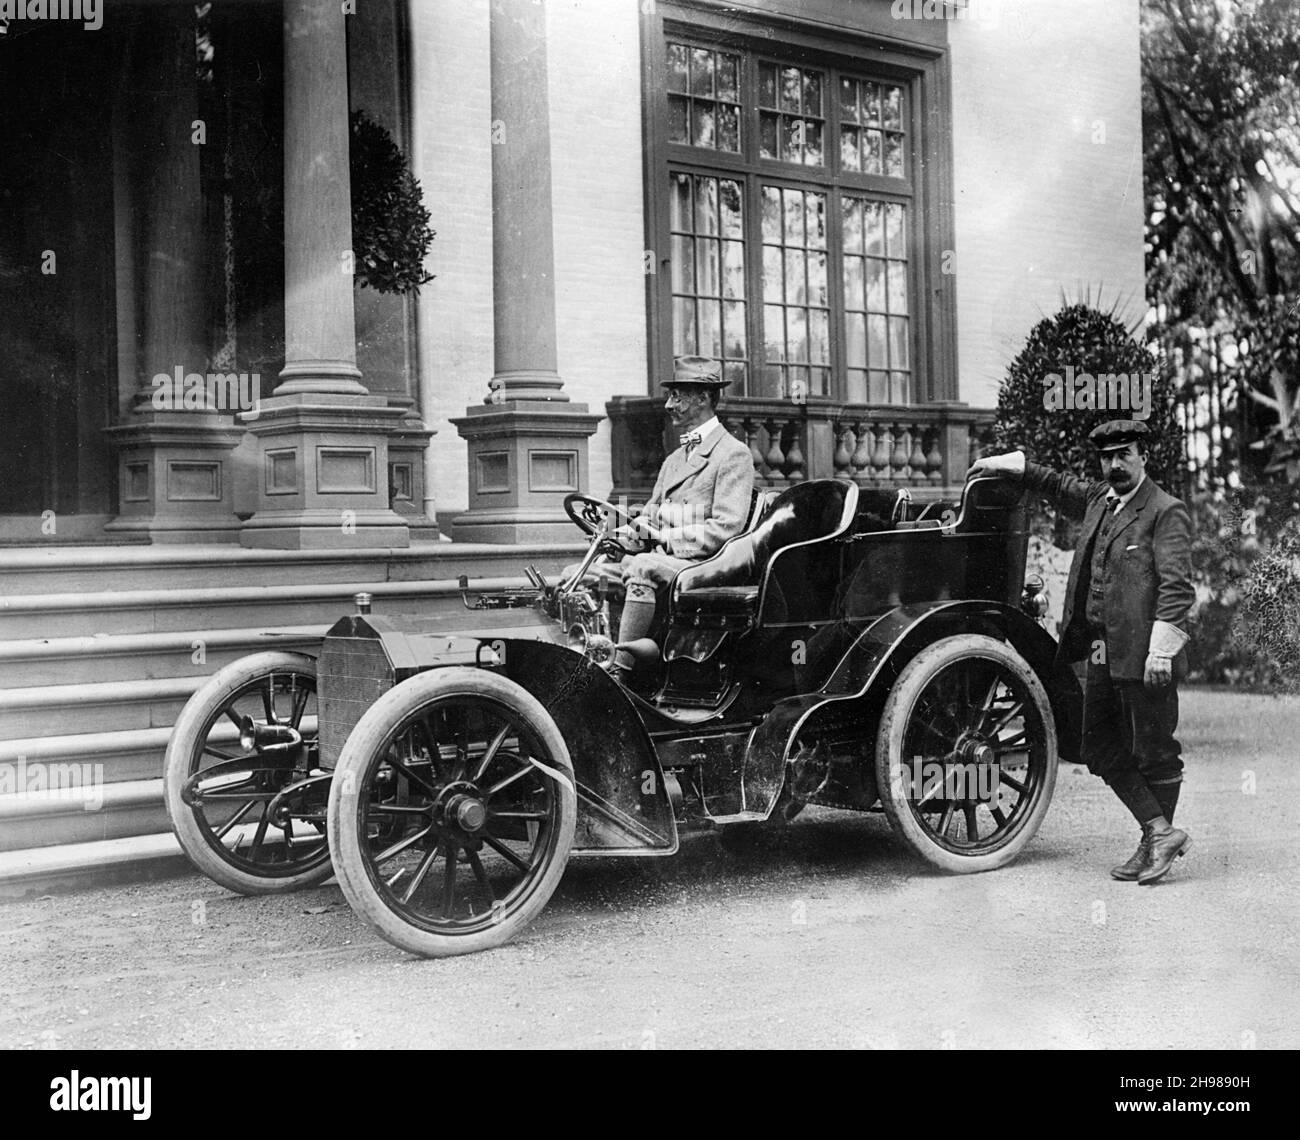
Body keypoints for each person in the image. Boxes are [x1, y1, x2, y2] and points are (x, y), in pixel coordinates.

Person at [968, 420, 1195, 884]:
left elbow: (1177, 587)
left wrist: (1160, 653)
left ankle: (1155, 839)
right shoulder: (1099, 501)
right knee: (1096, 746)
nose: (1115, 464)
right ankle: (1160, 832)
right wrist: (1012, 464)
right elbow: (1056, 484)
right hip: (1098, 652)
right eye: (1107, 457)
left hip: (1145, 655)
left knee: (1153, 752)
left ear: (1143, 455)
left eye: (1124, 454)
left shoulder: (1165, 511)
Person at [576, 355, 755, 678]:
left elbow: (727, 528)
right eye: (671, 397)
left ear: (703, 398)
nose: (669, 405)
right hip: (669, 560)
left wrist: (665, 541)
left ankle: (620, 674)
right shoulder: (675, 458)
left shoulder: (733, 454)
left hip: (708, 564)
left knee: (643, 566)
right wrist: (619, 537)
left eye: (678, 397)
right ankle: (584, 663)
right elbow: (650, 518)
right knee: (581, 574)